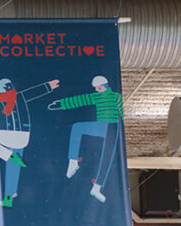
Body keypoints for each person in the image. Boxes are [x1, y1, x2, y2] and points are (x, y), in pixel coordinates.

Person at [47, 74, 124, 203]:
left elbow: (122, 113)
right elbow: (80, 100)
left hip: (112, 127)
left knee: (107, 156)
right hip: (101, 125)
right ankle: (73, 162)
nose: (96, 90)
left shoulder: (116, 97)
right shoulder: (96, 96)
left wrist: (122, 132)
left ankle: (97, 187)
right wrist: (60, 104)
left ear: (104, 87)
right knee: (77, 128)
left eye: (98, 88)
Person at [0, 77, 60, 207]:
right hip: (22, 135)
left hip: (10, 136)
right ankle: (10, 196)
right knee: (12, 167)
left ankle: (11, 157)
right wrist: (48, 86)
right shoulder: (18, 96)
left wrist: (48, 86)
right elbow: (34, 92)